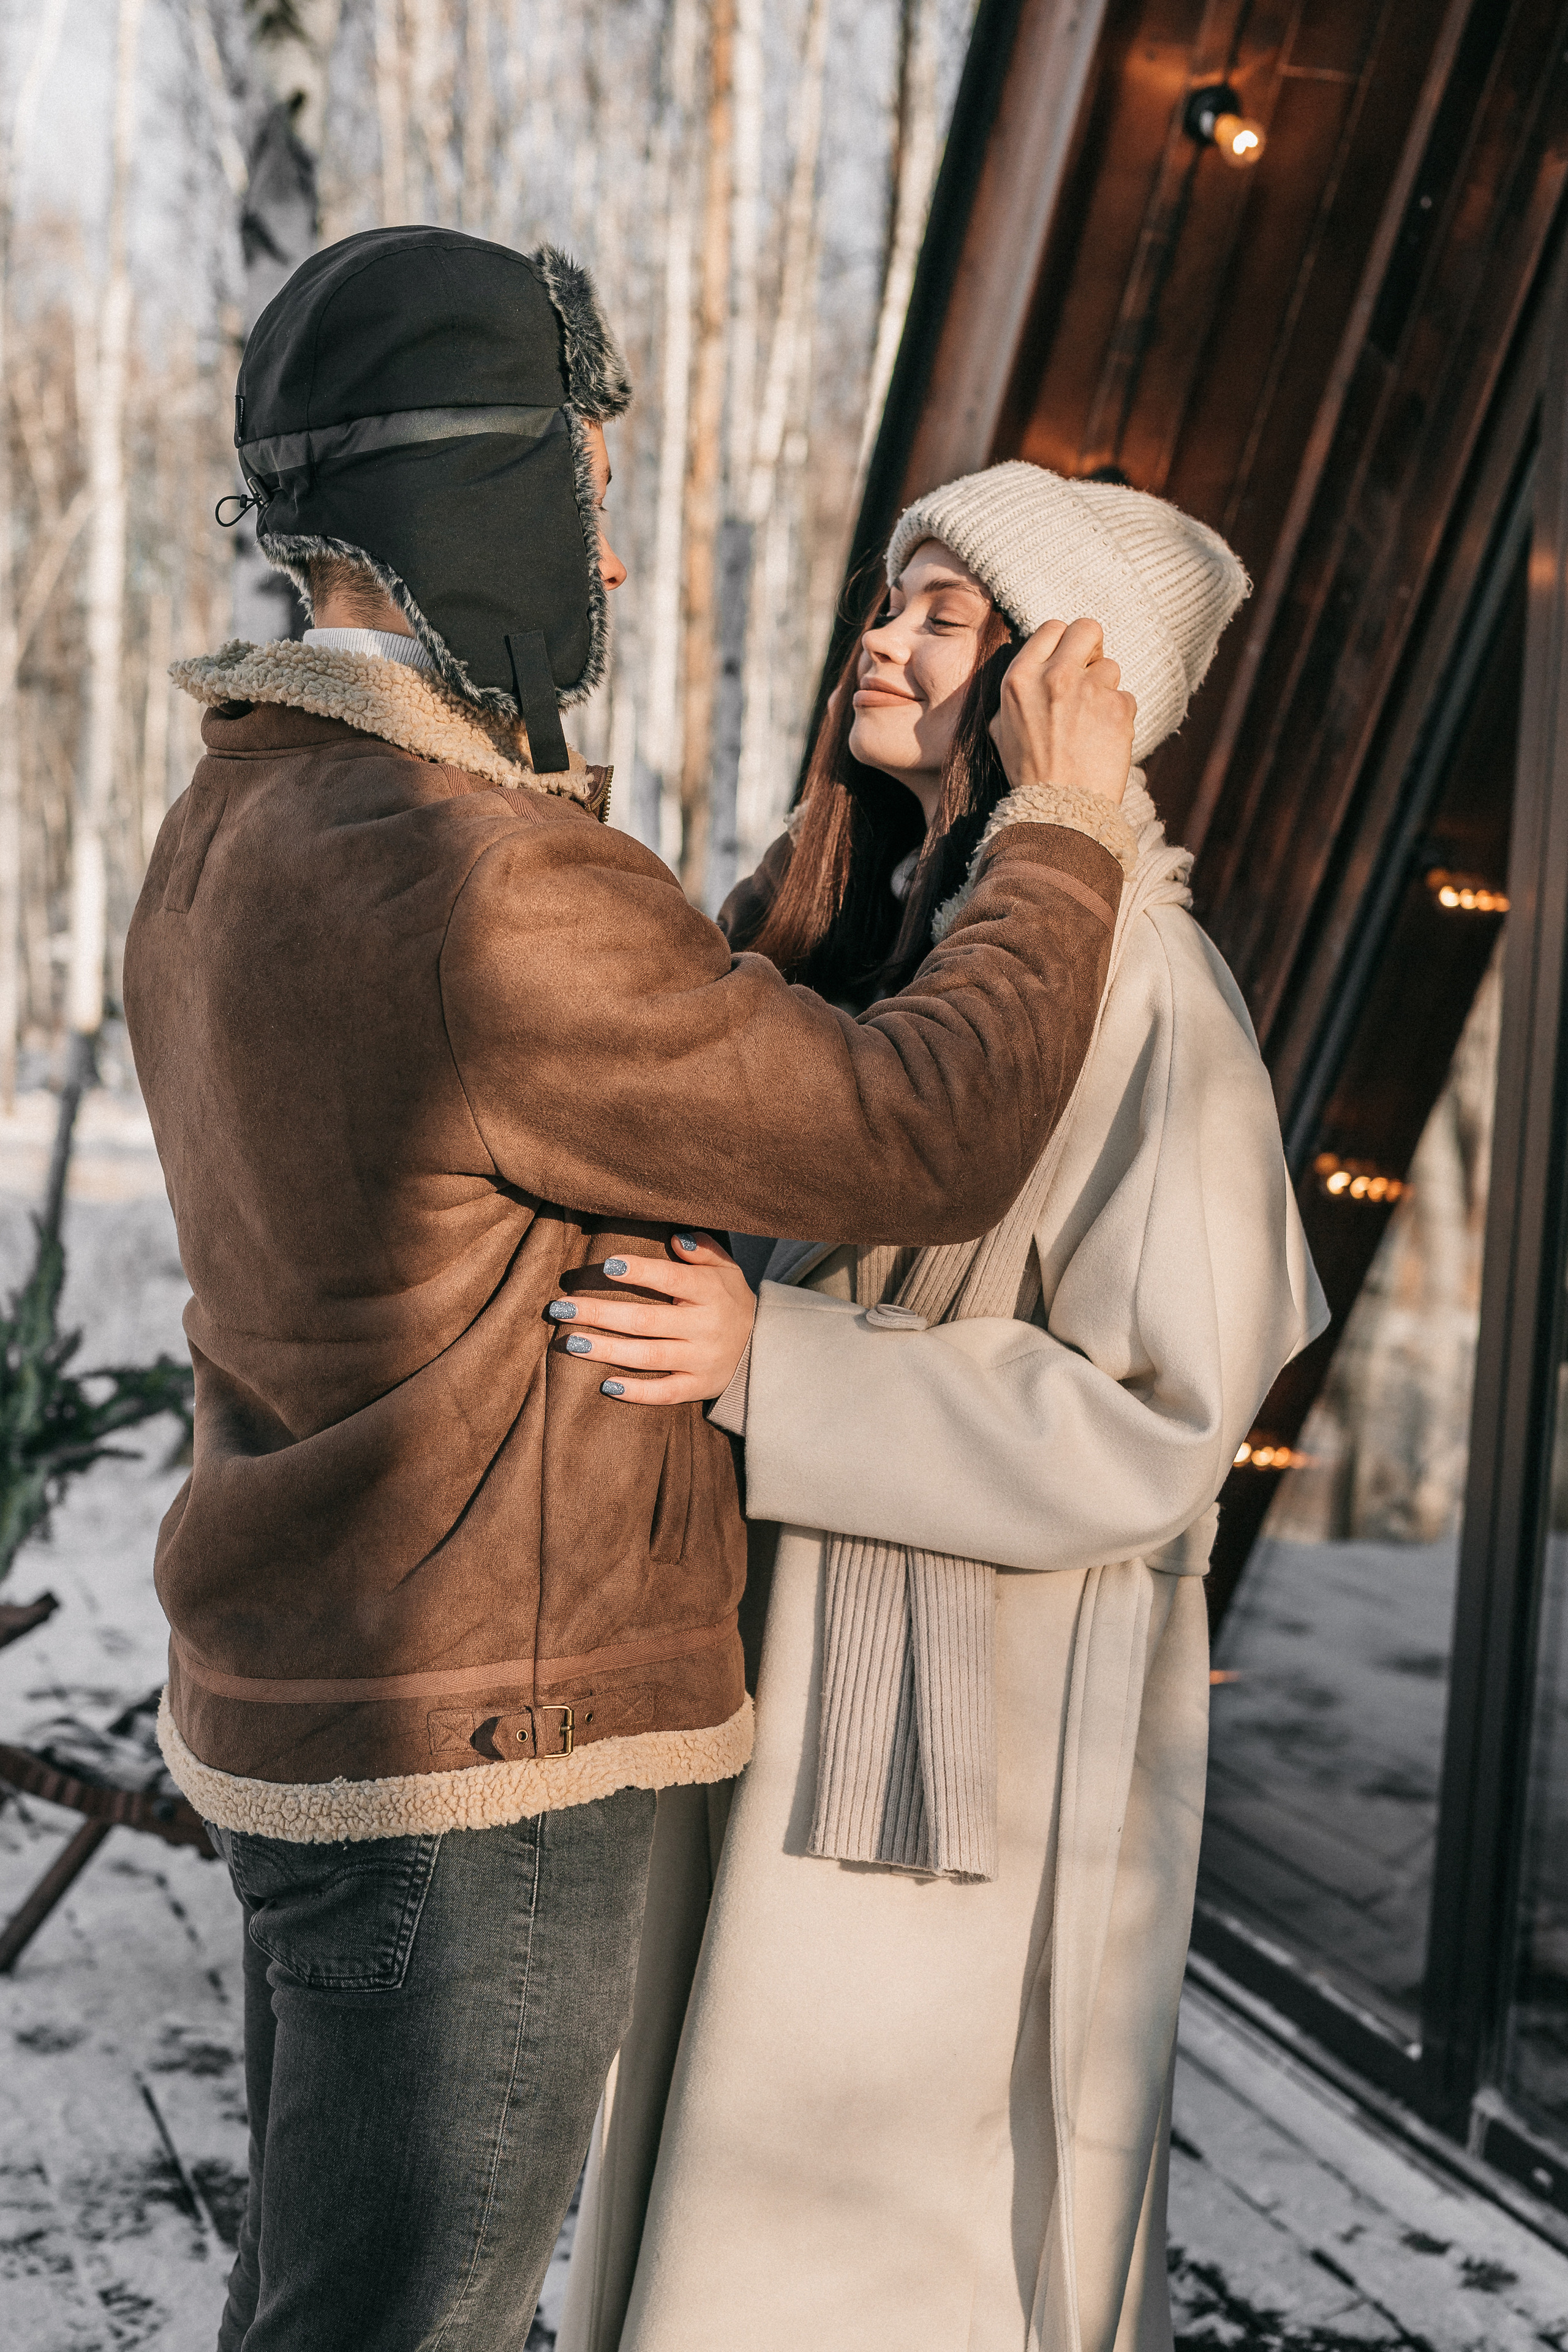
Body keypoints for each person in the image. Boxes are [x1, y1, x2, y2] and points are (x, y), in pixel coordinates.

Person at [121, 231, 1142, 2352]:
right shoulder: (479, 881)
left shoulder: (244, 814)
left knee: (322, 2307)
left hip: (324, 1697)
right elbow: (918, 1134)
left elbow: (627, 1062)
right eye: (580, 491)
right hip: (469, 1755)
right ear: (472, 492)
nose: (601, 551)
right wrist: (1059, 830)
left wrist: (823, 878)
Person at [552, 463, 1329, 2352]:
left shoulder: (1141, 980)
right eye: (890, 601)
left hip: (966, 1742)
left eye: (946, 614)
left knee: (879, 2262)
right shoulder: (877, 926)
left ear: (1066, 673)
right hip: (793, 1679)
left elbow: (1166, 1421)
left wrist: (778, 1362)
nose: (884, 643)